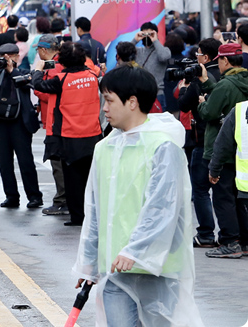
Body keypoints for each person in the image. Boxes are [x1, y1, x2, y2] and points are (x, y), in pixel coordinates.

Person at [73, 65, 204, 327]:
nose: (104, 108)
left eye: (109, 100)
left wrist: (136, 251)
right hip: (115, 269)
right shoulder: (105, 148)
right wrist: (89, 264)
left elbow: (164, 208)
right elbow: (96, 212)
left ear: (132, 102)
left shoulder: (163, 147)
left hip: (156, 269)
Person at [31, 42, 102, 227]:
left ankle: (77, 217)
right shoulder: (93, 77)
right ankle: (93, 216)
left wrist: (38, 69)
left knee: (72, 180)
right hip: (93, 135)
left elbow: (38, 85)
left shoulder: (61, 80)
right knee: (91, 180)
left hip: (70, 136)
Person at [195, 42, 248, 259]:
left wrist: (201, 102)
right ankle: (243, 242)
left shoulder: (225, 86)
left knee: (223, 197)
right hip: (242, 150)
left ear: (225, 61)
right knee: (240, 199)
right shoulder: (242, 81)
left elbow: (209, 112)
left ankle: (229, 241)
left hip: (224, 150)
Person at [0, 44, 43, 209]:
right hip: (0, 121)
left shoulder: (23, 72)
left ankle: (34, 196)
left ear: (17, 56)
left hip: (19, 122)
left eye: (10, 56)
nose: (6, 60)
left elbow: (27, 84)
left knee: (25, 161)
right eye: (3, 57)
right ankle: (11, 196)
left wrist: (12, 70)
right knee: (4, 162)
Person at [175, 38, 220, 248]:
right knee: (225, 190)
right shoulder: (225, 76)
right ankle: (234, 234)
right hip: (229, 141)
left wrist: (184, 87)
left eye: (198, 54)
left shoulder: (198, 81)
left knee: (200, 190)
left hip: (203, 139)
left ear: (206, 57)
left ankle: (206, 235)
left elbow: (183, 106)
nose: (196, 57)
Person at [135, 23, 171, 108]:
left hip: (157, 94)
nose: (147, 37)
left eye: (150, 34)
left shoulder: (163, 50)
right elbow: (123, 53)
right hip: (139, 94)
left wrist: (155, 40)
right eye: (144, 34)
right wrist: (135, 40)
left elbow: (163, 57)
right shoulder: (138, 51)